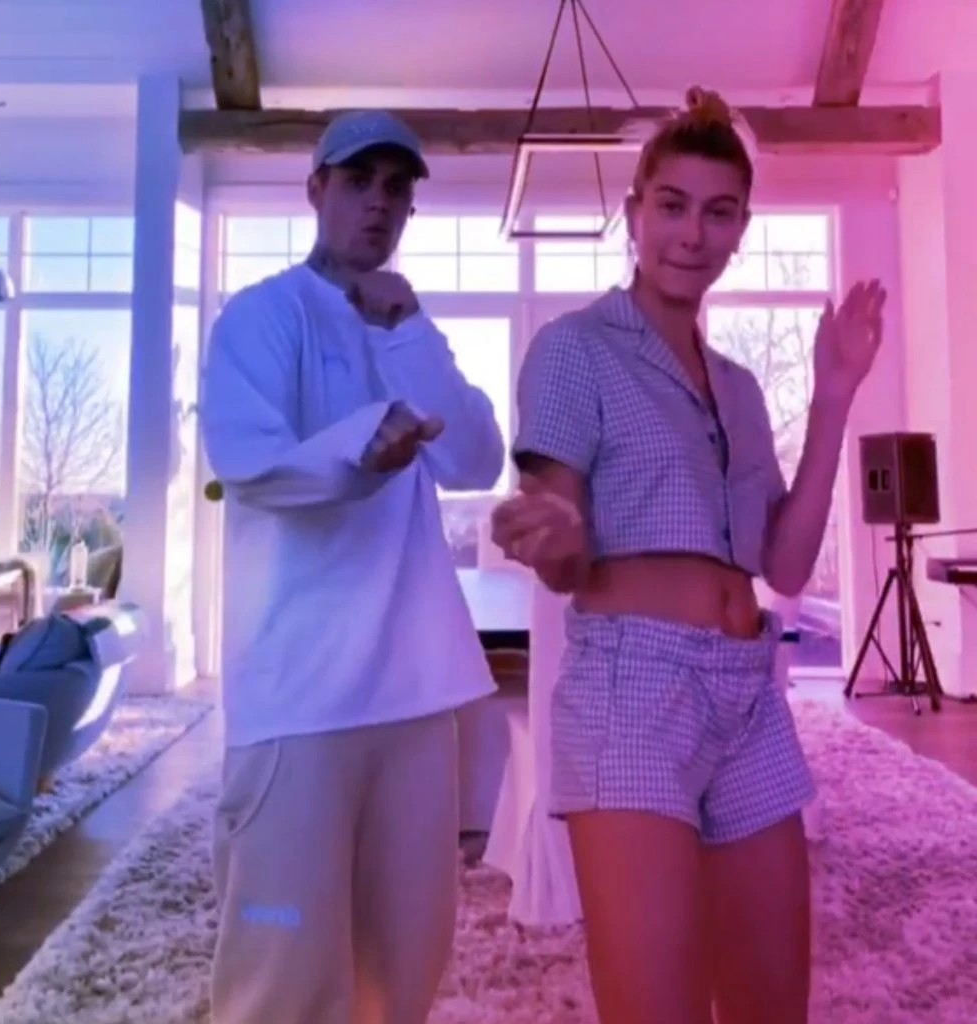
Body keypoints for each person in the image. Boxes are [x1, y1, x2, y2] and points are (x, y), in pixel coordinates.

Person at [491, 86, 885, 1024]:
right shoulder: (574, 350)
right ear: (635, 213)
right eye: (672, 205)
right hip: (632, 690)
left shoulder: (740, 387)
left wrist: (834, 395)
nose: (693, 234)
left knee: (771, 1006)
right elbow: (561, 543)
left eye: (719, 212)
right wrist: (559, 539)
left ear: (741, 228)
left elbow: (785, 567)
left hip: (749, 693)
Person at [199, 109, 505, 1024]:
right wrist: (360, 450)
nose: (379, 203)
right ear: (316, 190)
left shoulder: (407, 324)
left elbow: (476, 456)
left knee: (405, 965)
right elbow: (249, 461)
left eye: (397, 189)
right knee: (282, 971)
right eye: (359, 181)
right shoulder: (263, 315)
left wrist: (406, 328)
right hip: (299, 698)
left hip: (416, 699)